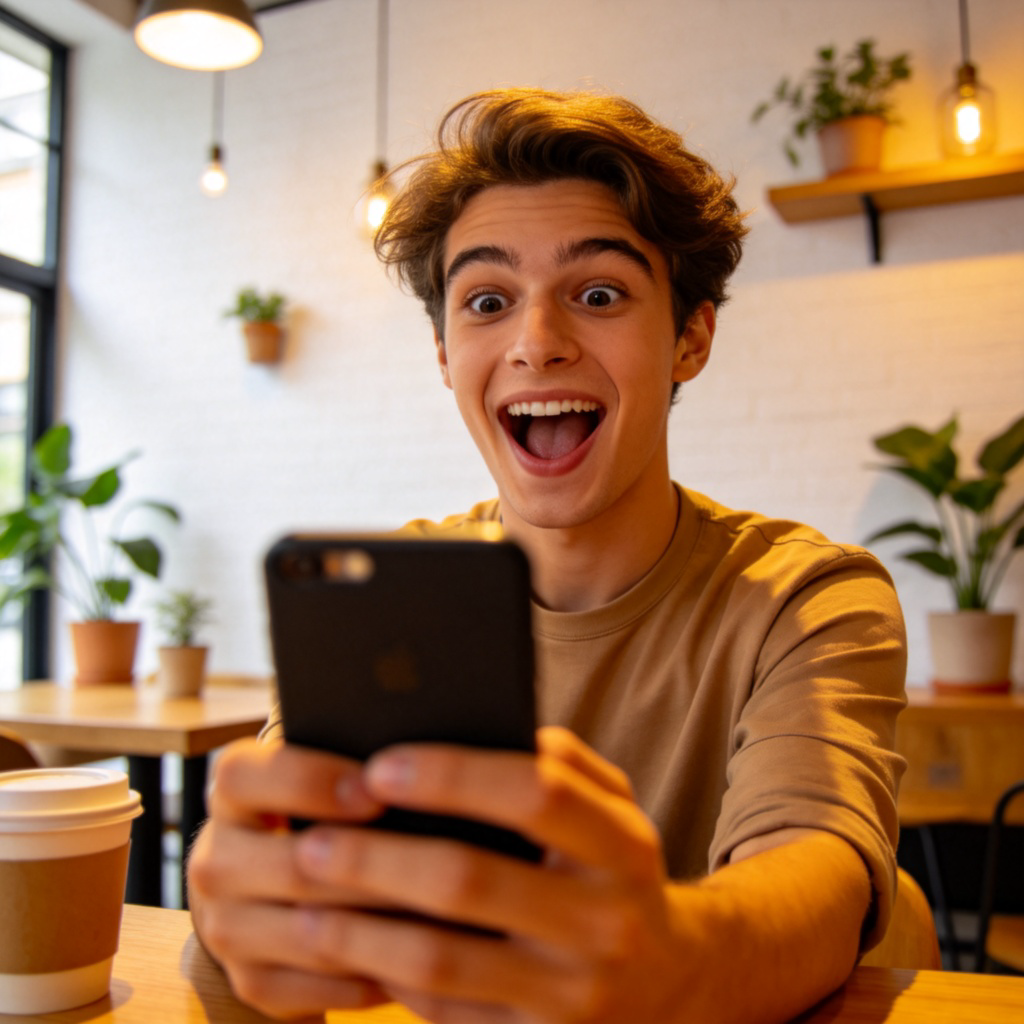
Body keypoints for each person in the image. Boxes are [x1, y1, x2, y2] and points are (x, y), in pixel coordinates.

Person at [188, 88, 906, 1023]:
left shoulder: (803, 596)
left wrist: (666, 959)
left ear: (690, 337)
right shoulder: (398, 593)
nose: (536, 343)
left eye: (599, 293)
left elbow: (818, 877)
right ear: (446, 354)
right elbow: (279, 862)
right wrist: (240, 891)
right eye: (487, 301)